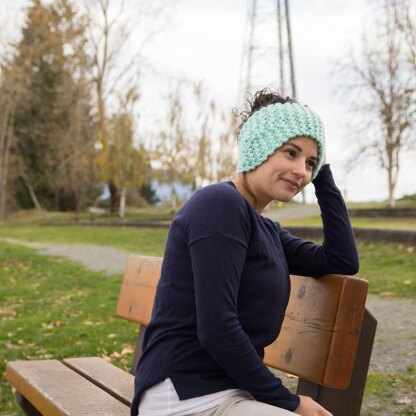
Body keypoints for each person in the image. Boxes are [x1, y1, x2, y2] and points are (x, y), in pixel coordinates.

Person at [131, 89, 359, 416]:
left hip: (230, 394)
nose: (302, 172)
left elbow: (341, 261)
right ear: (258, 147)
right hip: (187, 395)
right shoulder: (219, 205)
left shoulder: (266, 230)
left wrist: (324, 178)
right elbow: (217, 328)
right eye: (290, 153)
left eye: (310, 163)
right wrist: (291, 402)